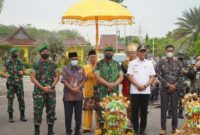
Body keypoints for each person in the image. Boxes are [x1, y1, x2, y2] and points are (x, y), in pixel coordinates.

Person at [30, 44, 59, 135]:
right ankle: (37, 130)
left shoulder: (54, 64)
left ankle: (50, 130)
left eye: (47, 52)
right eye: (43, 52)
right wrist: (42, 87)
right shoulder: (35, 64)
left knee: (51, 111)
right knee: (38, 110)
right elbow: (32, 78)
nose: (45, 53)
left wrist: (51, 86)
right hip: (39, 91)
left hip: (50, 91)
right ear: (40, 53)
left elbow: (57, 77)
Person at [127, 45, 155, 135]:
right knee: (135, 111)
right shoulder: (131, 63)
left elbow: (152, 76)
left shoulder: (149, 63)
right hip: (135, 91)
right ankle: (135, 129)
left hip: (145, 91)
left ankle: (142, 130)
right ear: (137, 52)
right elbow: (129, 76)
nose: (142, 53)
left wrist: (146, 85)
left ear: (145, 52)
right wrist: (138, 85)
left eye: (144, 51)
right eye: (141, 51)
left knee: (144, 111)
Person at [94, 46, 124, 128]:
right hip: (102, 91)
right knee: (102, 110)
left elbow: (121, 76)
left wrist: (113, 84)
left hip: (114, 91)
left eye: (110, 52)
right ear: (104, 53)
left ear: (113, 53)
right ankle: (101, 130)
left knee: (113, 110)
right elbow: (97, 76)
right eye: (107, 52)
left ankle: (112, 129)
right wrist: (108, 84)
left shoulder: (117, 64)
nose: (109, 53)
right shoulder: (99, 63)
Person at [156, 45, 182, 135]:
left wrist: (175, 86)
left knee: (175, 109)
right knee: (164, 109)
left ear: (173, 51)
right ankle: (163, 128)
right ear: (165, 51)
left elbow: (181, 76)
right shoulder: (161, 62)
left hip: (175, 89)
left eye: (171, 50)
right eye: (168, 50)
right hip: (164, 89)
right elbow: (158, 75)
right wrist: (167, 85)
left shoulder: (178, 62)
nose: (170, 52)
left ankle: (174, 128)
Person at [61, 52, 85, 135]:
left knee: (78, 115)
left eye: (76, 59)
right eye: (73, 59)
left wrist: (77, 88)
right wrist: (72, 89)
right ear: (69, 59)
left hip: (79, 96)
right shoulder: (65, 69)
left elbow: (83, 80)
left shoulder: (81, 69)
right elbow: (64, 81)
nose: (75, 60)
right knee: (68, 115)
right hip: (68, 96)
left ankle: (77, 131)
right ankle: (68, 131)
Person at [2, 47, 27, 122]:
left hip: (19, 84)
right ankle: (10, 117)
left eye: (16, 52)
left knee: (21, 100)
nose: (16, 53)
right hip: (11, 84)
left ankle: (22, 116)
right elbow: (2, 72)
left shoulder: (20, 61)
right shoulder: (7, 62)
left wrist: (23, 72)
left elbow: (24, 70)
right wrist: (5, 75)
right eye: (15, 52)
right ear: (11, 54)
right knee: (10, 100)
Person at [121, 44, 137, 125]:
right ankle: (128, 119)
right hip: (127, 86)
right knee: (128, 104)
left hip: (137, 85)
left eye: (134, 53)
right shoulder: (124, 63)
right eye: (131, 53)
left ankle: (135, 119)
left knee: (137, 104)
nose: (132, 54)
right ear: (128, 54)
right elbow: (122, 74)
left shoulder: (140, 62)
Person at [82, 50, 97, 133]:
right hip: (89, 90)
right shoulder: (85, 67)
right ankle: (87, 127)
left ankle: (99, 126)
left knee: (98, 109)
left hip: (98, 90)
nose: (93, 58)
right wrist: (93, 71)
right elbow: (86, 76)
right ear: (88, 58)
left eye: (94, 57)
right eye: (91, 57)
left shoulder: (99, 66)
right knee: (88, 109)